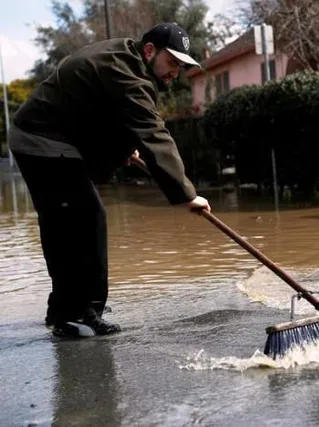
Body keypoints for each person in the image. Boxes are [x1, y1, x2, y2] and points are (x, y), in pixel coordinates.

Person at [8, 22, 211, 338]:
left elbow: (103, 109)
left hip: (55, 137)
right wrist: (186, 194)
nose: (175, 73)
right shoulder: (128, 74)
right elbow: (153, 132)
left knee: (68, 220)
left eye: (181, 66)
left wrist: (121, 146)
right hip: (40, 138)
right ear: (149, 51)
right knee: (83, 217)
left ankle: (68, 307)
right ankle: (79, 310)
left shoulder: (126, 59)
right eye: (172, 63)